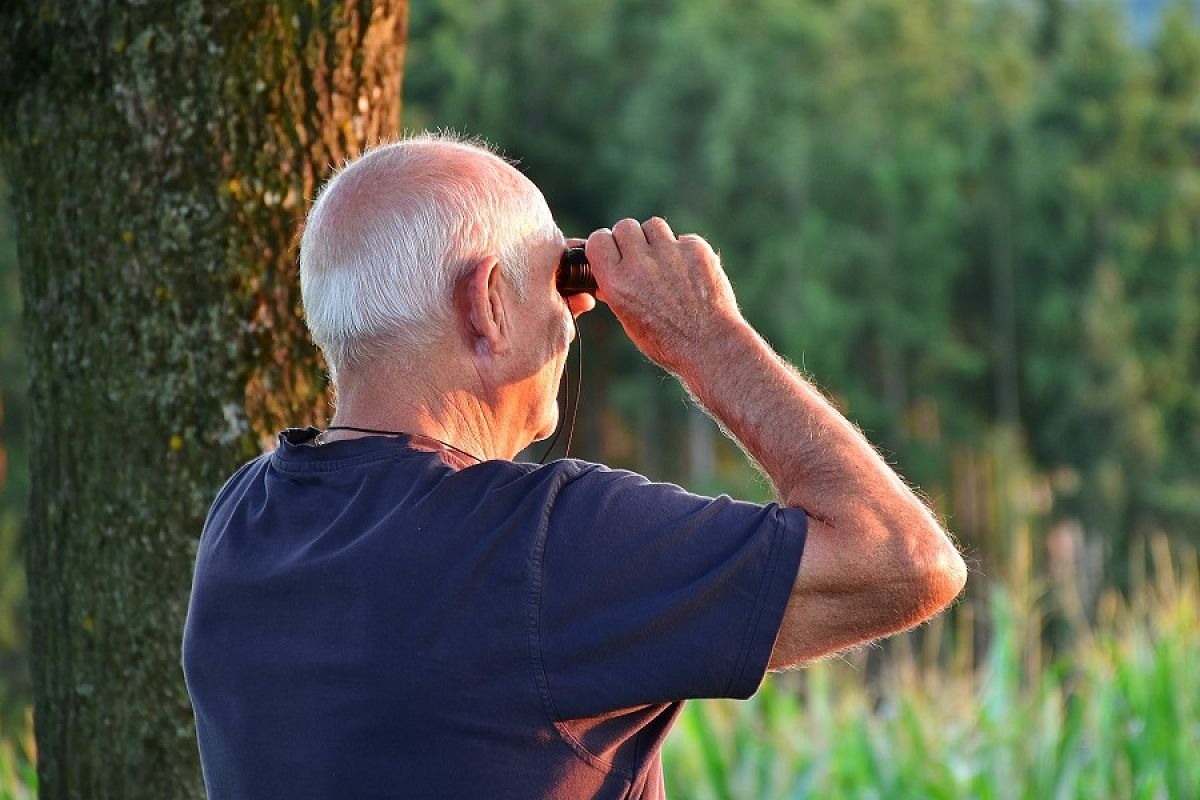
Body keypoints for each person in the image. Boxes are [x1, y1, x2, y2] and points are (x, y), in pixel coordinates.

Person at [182, 133, 967, 799]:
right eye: (557, 282)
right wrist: (705, 338)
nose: (574, 316)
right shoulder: (544, 548)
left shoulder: (244, 523)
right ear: (487, 305)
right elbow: (903, 559)